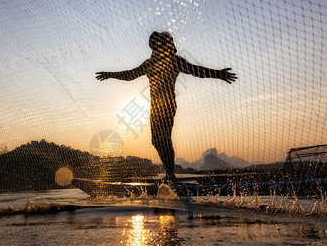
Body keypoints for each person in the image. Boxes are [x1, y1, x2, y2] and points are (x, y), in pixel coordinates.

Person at [96, 31, 237, 185]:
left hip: (167, 106)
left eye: (155, 46)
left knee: (163, 139)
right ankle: (170, 174)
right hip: (156, 108)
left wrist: (219, 74)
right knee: (157, 141)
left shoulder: (173, 61)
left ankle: (170, 175)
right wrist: (109, 74)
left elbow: (196, 70)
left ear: (161, 46)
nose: (153, 50)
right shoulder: (150, 63)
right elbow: (130, 75)